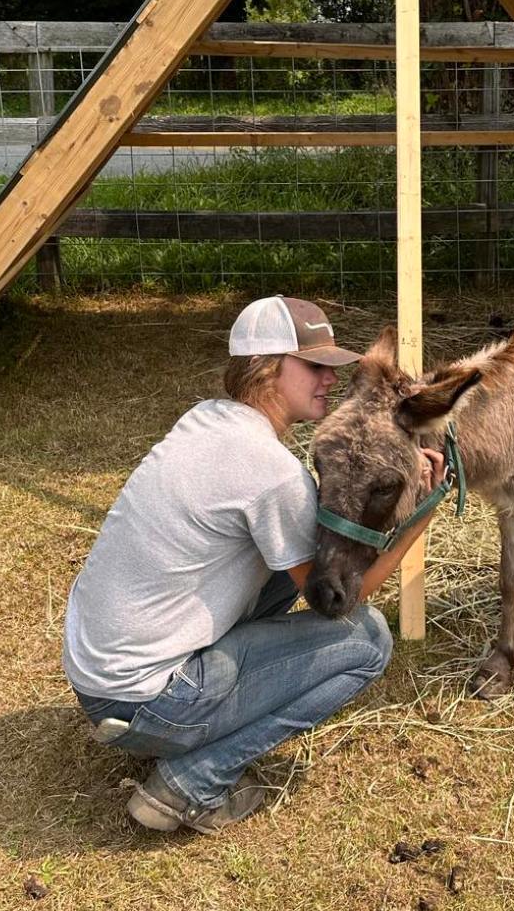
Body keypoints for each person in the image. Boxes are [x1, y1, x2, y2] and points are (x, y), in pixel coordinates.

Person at [62, 295, 437, 834]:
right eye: (314, 366)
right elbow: (339, 600)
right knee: (366, 640)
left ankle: (177, 722)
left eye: (332, 367)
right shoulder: (271, 472)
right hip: (145, 701)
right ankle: (190, 783)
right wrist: (421, 513)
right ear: (265, 367)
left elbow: (303, 571)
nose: (330, 380)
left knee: (281, 579)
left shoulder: (207, 422)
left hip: (100, 679)